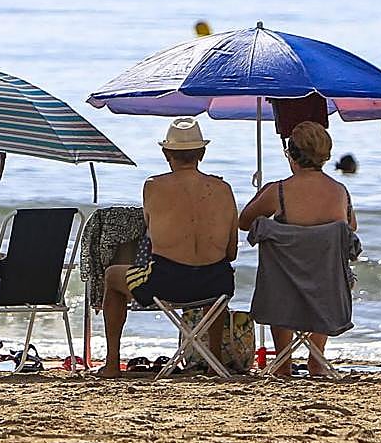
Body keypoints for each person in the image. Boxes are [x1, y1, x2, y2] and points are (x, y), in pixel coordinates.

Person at [98, 117, 238, 378]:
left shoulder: (153, 186)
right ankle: (214, 360)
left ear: (166, 154)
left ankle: (112, 364)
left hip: (166, 284)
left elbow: (152, 236)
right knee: (218, 270)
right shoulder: (224, 188)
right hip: (216, 286)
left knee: (112, 276)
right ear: (202, 153)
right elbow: (231, 253)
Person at [239, 121, 356, 376]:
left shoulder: (277, 190)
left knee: (281, 273)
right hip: (326, 293)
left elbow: (244, 222)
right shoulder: (340, 192)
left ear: (291, 155)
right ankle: (316, 358)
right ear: (325, 156)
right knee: (325, 272)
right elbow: (350, 229)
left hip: (283, 292)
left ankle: (283, 360)